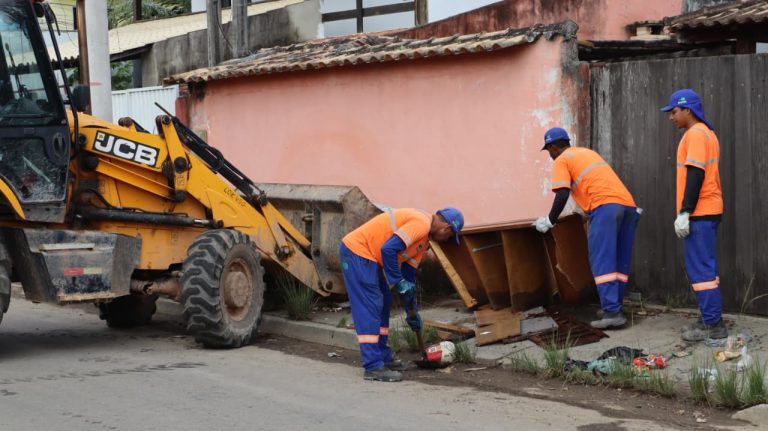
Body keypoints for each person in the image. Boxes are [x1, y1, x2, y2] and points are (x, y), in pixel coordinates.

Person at [339, 207, 464, 382]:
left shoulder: (423, 241)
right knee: (371, 305)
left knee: (384, 302)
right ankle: (373, 366)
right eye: (449, 237)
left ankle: (383, 357)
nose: (446, 240)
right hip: (357, 252)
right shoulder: (421, 223)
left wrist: (411, 311)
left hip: (369, 258)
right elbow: (388, 250)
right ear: (446, 229)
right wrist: (398, 282)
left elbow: (409, 276)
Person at [534, 127, 641, 329]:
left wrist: (550, 220)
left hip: (605, 208)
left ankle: (612, 312)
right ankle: (615, 306)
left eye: (548, 151)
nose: (549, 155)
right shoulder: (587, 153)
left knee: (603, 260)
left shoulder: (562, 160)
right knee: (618, 260)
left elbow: (562, 194)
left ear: (554, 147)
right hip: (627, 207)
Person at [661, 89, 726, 342]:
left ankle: (714, 325)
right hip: (707, 210)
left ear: (688, 110)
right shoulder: (706, 133)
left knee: (701, 270)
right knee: (704, 268)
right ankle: (709, 317)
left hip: (700, 212)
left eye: (674, 111)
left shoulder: (696, 134)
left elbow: (696, 174)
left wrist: (685, 211)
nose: (671, 117)